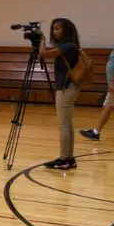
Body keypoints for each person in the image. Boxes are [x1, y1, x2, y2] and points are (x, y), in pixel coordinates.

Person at [40, 18, 82, 171]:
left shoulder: (68, 46)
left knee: (63, 125)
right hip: (71, 87)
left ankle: (63, 159)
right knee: (68, 124)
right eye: (53, 29)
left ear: (66, 31)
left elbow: (43, 54)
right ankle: (69, 158)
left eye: (57, 29)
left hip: (65, 88)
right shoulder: (70, 46)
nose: (54, 32)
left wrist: (41, 41)